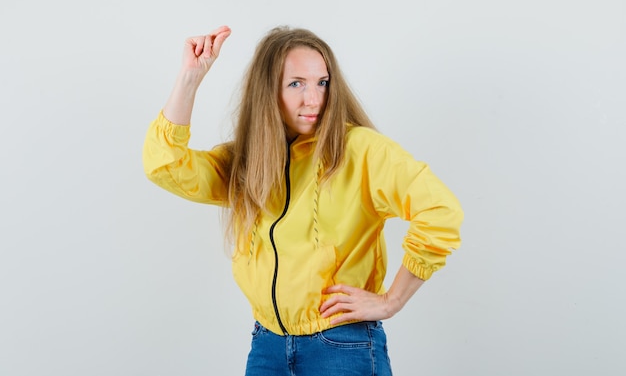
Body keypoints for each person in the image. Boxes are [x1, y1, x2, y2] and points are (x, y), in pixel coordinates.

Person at [143, 25, 463, 376]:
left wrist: (392, 300)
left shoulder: (360, 149)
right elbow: (165, 166)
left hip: (341, 345)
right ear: (268, 91)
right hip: (267, 346)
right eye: (296, 83)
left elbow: (440, 211)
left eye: (322, 83)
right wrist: (190, 78)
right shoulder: (249, 160)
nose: (313, 99)